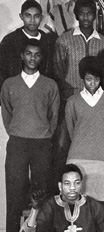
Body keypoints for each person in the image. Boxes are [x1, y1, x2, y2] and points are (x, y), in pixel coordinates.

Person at [1, 39, 60, 232]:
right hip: (17, 142)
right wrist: (17, 132)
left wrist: (44, 133)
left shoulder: (50, 85)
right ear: (22, 55)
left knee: (42, 190)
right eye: (28, 53)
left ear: (41, 57)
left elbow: (54, 115)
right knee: (15, 191)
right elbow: (7, 113)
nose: (32, 58)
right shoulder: (10, 84)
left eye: (36, 54)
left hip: (41, 143)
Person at [53, 0, 104, 190]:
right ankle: (61, 190)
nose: (86, 17)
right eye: (82, 14)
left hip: (95, 105)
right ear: (76, 16)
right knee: (63, 145)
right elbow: (58, 71)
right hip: (70, 101)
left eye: (90, 13)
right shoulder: (64, 40)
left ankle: (92, 191)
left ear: (95, 16)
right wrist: (69, 94)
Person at [65, 56, 104, 204]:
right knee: (78, 203)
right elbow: (72, 130)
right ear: (82, 78)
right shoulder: (72, 101)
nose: (93, 83)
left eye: (96, 79)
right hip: (78, 157)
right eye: (89, 79)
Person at [20, 164, 104, 232]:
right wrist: (35, 209)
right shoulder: (50, 206)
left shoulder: (93, 206)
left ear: (82, 185)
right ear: (60, 186)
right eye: (67, 183)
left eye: (77, 183)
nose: (72, 187)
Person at [0, 0, 56, 89]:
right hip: (16, 92)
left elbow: (52, 71)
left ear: (41, 18)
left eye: (36, 16)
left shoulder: (48, 41)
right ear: (21, 16)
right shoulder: (10, 41)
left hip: (42, 92)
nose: (32, 20)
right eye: (28, 16)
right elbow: (2, 72)